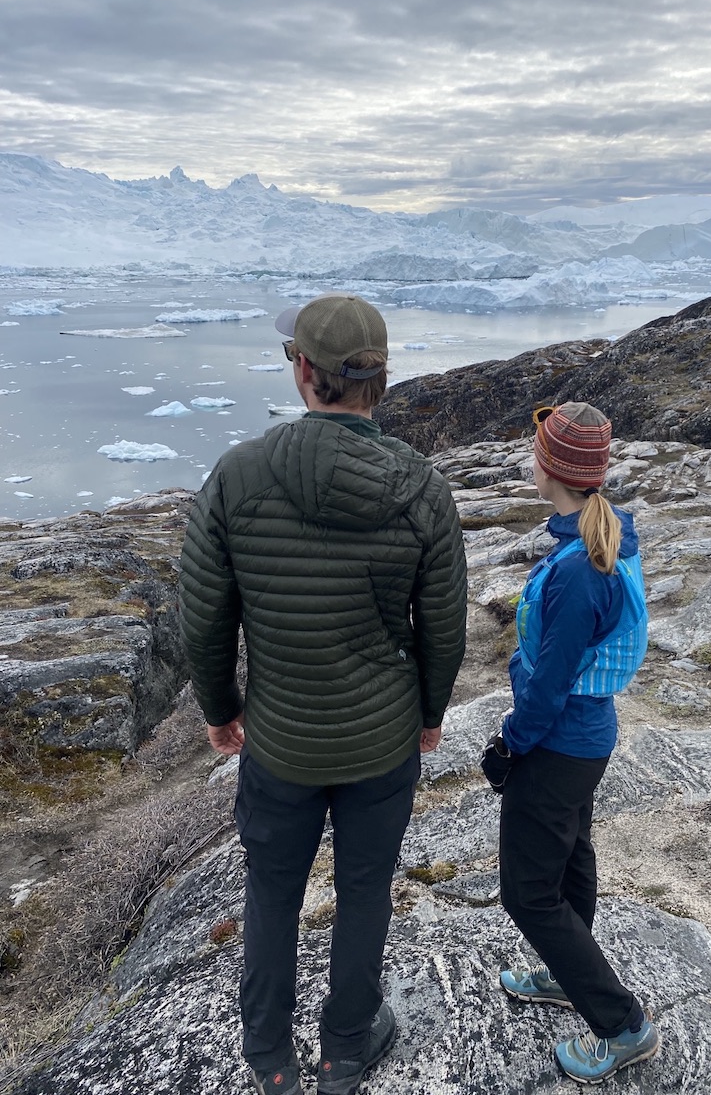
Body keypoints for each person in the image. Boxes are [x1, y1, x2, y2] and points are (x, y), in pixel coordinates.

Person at [179, 293, 467, 1095]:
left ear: (304, 372)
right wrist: (431, 714)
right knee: (365, 890)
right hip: (381, 743)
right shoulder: (422, 488)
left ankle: (270, 1059)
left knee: (271, 892)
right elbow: (443, 625)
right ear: (379, 379)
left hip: (279, 743)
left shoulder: (238, 474)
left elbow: (203, 613)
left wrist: (220, 709)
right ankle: (345, 1051)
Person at [481, 402, 659, 1085]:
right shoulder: (603, 536)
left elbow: (549, 686)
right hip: (588, 741)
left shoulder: (581, 567)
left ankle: (622, 1026)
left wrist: (509, 747)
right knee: (570, 856)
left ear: (550, 468)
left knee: (528, 894)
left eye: (536, 452)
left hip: (558, 745)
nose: (531, 461)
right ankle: (566, 975)